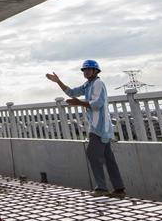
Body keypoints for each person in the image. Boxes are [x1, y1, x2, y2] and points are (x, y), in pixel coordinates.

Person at [47, 60, 126, 197]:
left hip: (99, 127)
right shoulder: (87, 84)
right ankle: (119, 189)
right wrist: (58, 81)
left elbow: (97, 104)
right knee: (108, 158)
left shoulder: (98, 83)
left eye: (89, 69)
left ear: (96, 71)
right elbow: (72, 92)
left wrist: (79, 103)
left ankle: (101, 188)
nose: (86, 72)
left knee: (93, 154)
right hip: (99, 126)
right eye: (84, 70)